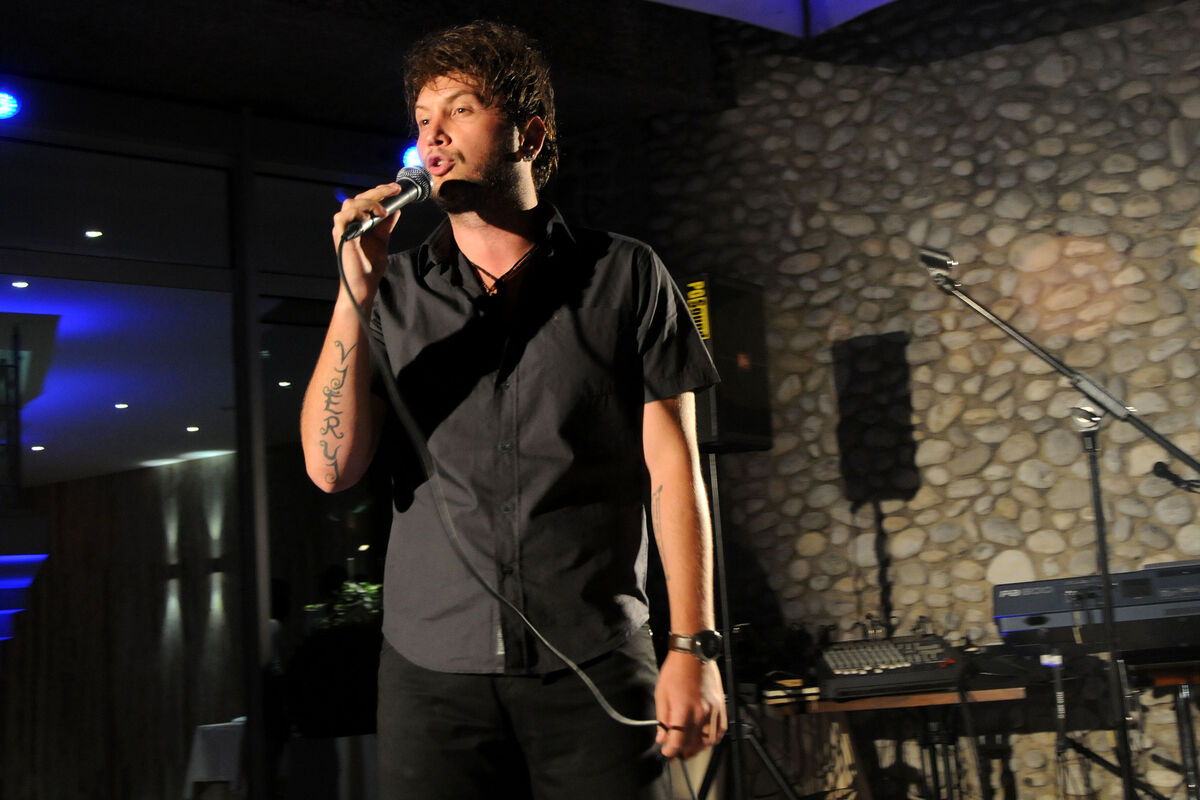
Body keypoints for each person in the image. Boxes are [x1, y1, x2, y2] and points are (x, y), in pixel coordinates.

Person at [300, 20, 726, 800]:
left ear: (527, 134)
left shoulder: (624, 275)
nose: (433, 135)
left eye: (460, 110)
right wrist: (354, 290)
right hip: (433, 676)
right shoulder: (393, 294)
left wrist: (692, 645)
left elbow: (674, 469)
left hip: (592, 657)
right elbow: (331, 468)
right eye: (423, 118)